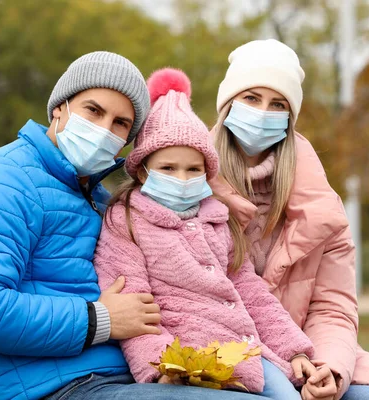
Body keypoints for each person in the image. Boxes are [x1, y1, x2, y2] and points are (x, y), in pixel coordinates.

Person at [0, 51, 266, 400]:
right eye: (93, 110)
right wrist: (99, 319)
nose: (103, 129)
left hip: (127, 377)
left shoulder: (100, 199)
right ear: (59, 107)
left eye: (120, 123)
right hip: (54, 386)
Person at [93, 68, 329, 399]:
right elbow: (133, 307)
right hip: (189, 364)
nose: (182, 178)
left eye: (193, 169)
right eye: (168, 168)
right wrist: (161, 367)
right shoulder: (126, 223)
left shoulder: (218, 219)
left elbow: (252, 293)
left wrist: (295, 351)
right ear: (143, 172)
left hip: (247, 354)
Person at [209, 39, 369, 400]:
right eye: (251, 98)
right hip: (224, 360)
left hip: (309, 358)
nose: (262, 113)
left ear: (289, 118)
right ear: (228, 105)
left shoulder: (323, 209)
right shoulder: (186, 182)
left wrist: (329, 369)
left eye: (278, 105)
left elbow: (333, 307)